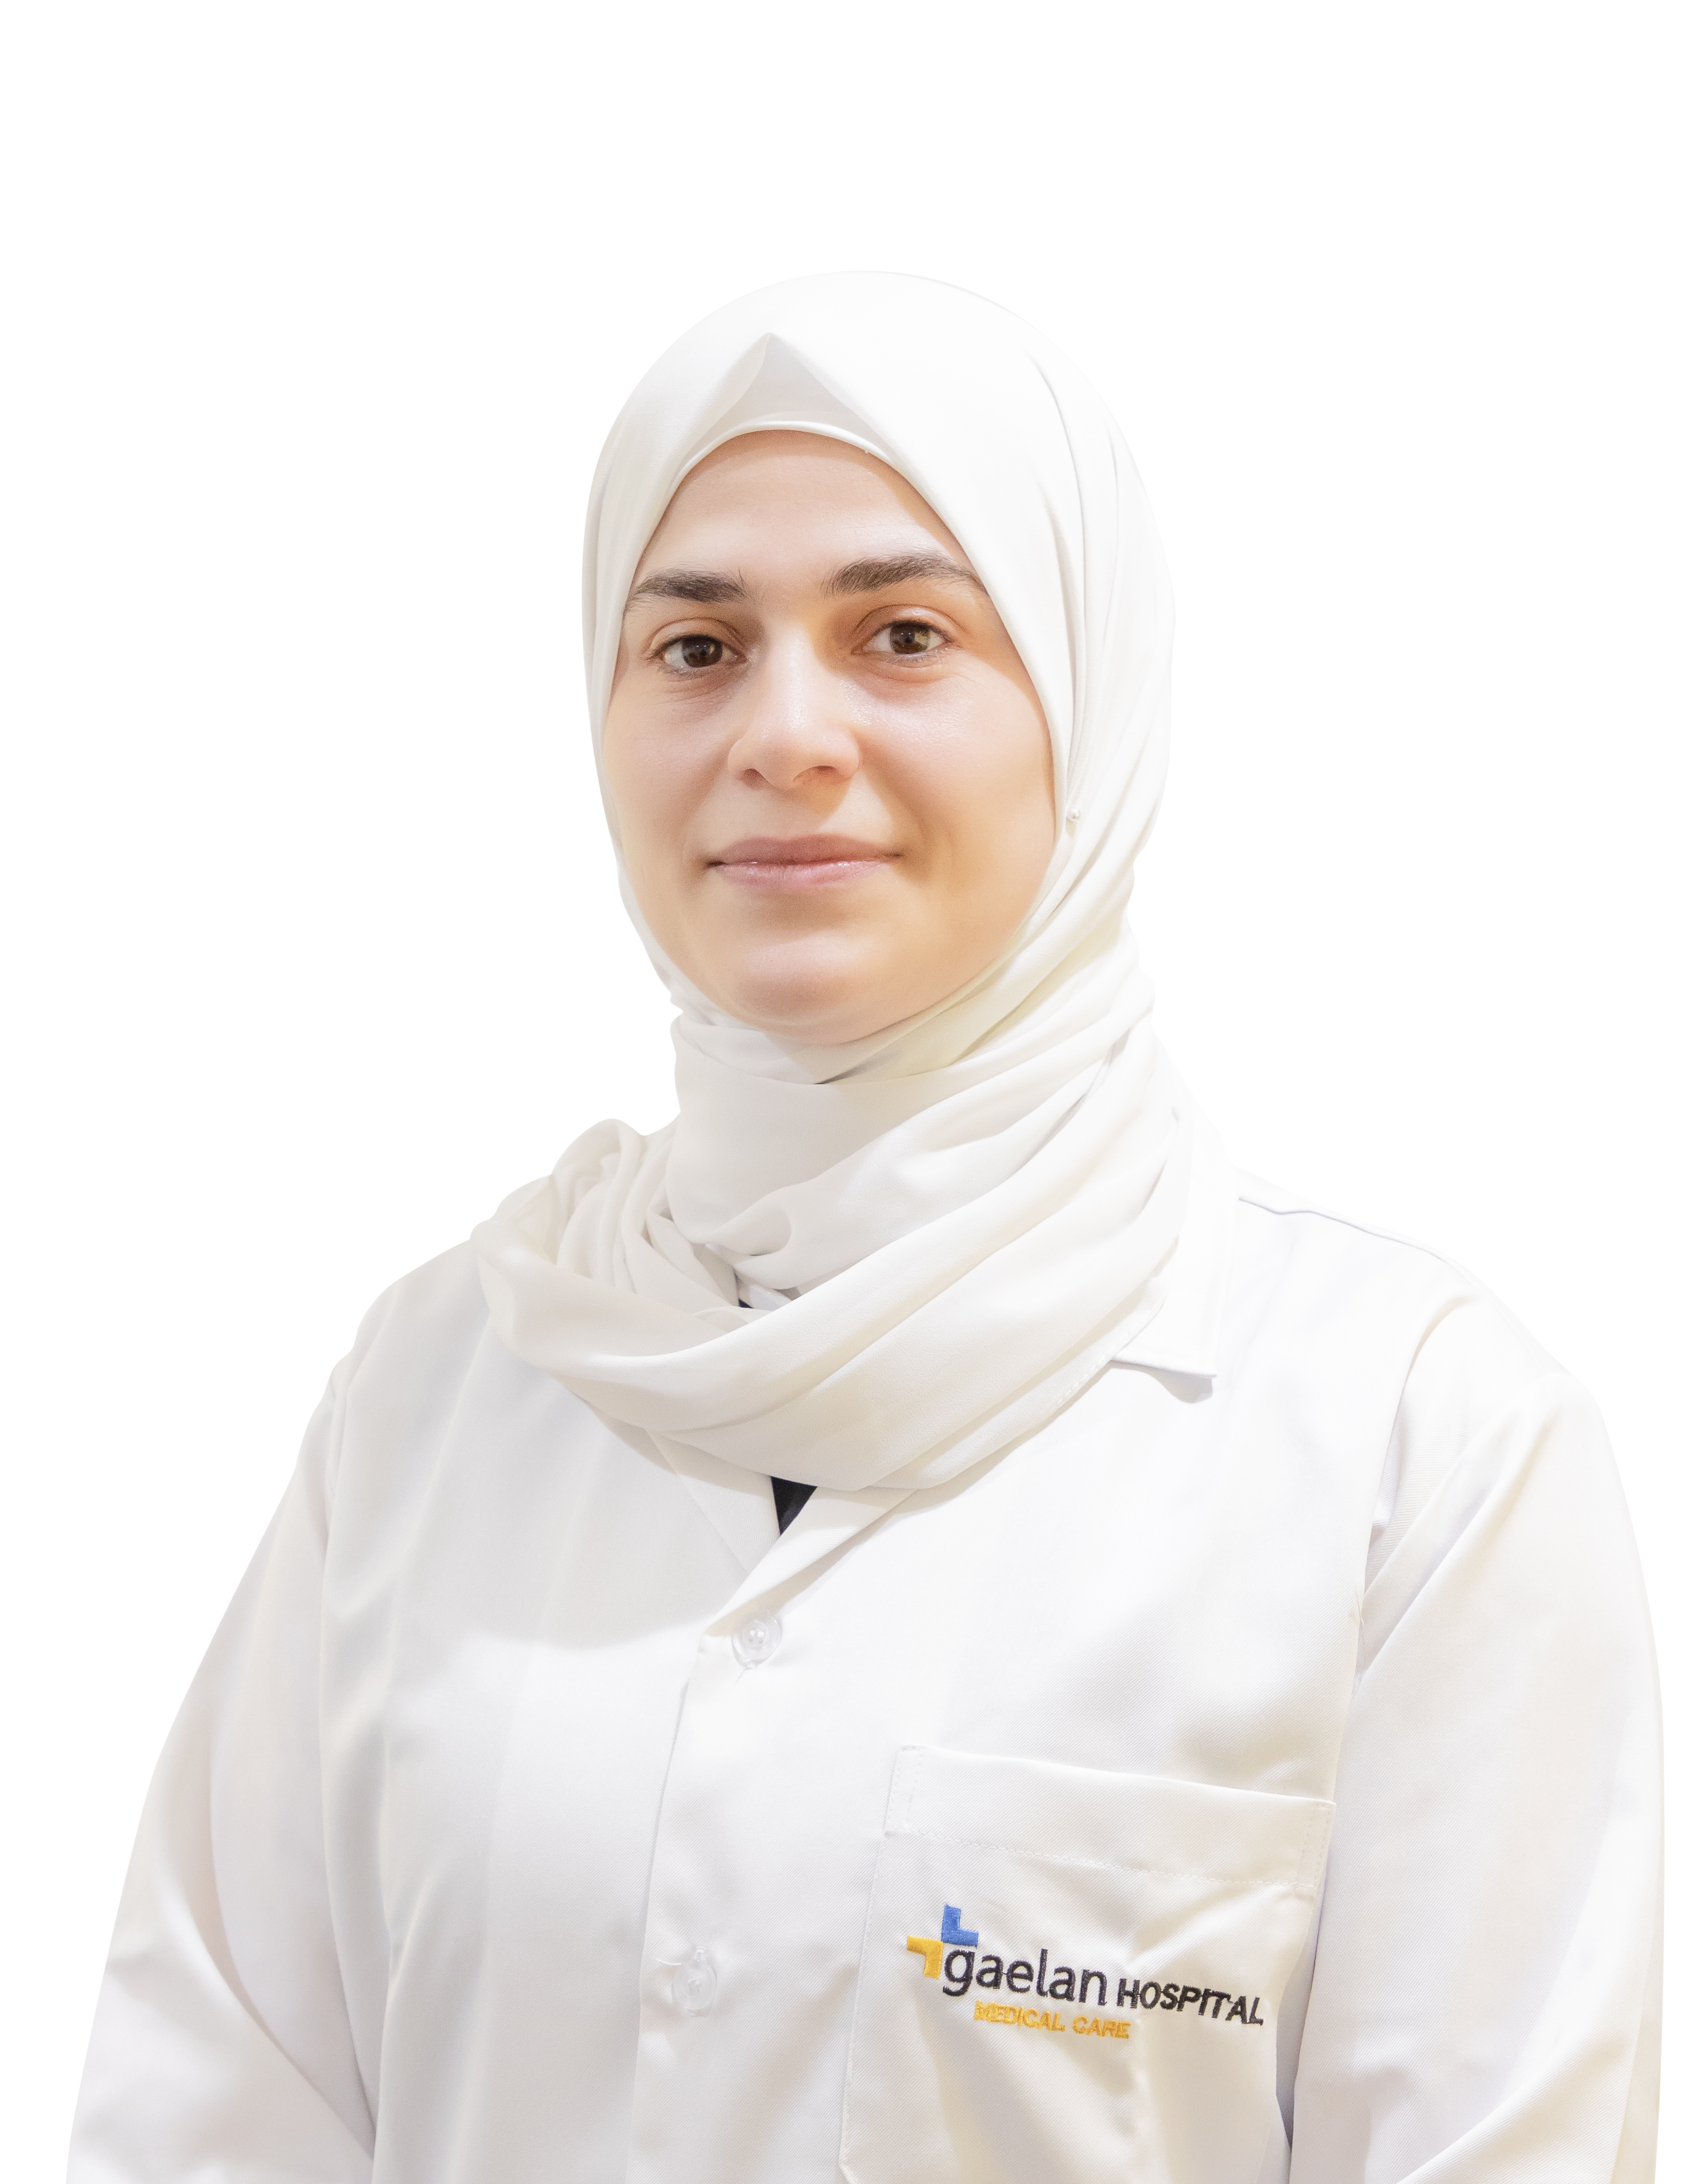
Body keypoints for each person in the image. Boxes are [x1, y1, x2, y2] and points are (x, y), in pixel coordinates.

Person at [69, 275, 1661, 2183]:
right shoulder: (435, 1391)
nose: (786, 733)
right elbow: (209, 2122)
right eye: (695, 647)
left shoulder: (1411, 1439)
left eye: (904, 635)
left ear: (1088, 700)